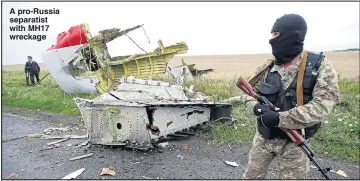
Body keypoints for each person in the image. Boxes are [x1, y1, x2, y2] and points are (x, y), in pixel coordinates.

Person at [240, 14, 340, 179]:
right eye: (272, 35)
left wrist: (281, 118)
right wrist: (255, 107)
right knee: (250, 177)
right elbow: (247, 94)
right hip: (263, 137)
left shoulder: (318, 66)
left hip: (295, 143)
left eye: (277, 35)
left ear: (293, 36)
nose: (272, 40)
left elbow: (323, 106)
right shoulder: (268, 66)